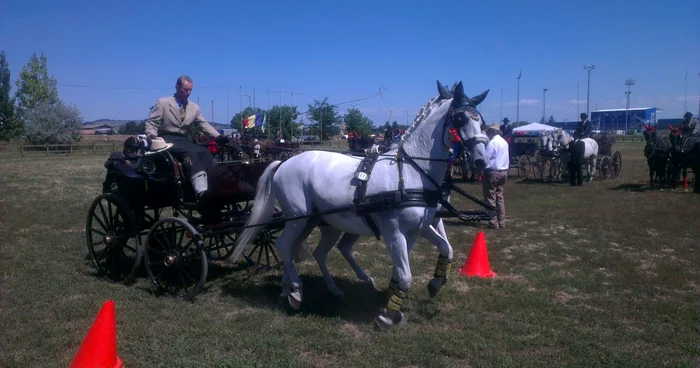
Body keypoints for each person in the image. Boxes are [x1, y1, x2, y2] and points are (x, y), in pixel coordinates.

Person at [145, 75, 225, 198]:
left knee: (204, 151)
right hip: (166, 139)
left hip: (182, 140)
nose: (188, 93)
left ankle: (212, 185)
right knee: (191, 153)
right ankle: (201, 191)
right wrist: (151, 135)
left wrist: (218, 137)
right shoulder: (163, 103)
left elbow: (203, 124)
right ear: (177, 87)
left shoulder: (194, 108)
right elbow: (152, 122)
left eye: (190, 90)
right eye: (185, 89)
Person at [483, 123, 509, 229]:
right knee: (499, 197)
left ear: (492, 132)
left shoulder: (492, 143)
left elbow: (486, 158)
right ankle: (502, 221)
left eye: (489, 131)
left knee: (490, 198)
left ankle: (493, 221)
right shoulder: (505, 142)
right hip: (504, 172)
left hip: (493, 172)